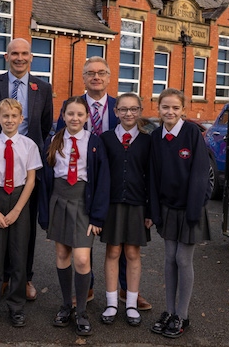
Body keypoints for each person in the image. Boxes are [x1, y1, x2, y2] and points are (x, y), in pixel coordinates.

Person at [56, 56, 151, 310]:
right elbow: (58, 140)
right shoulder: (71, 106)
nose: (96, 77)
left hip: (115, 186)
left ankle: (125, 289)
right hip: (80, 183)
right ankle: (86, 287)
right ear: (83, 77)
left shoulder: (119, 106)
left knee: (119, 242)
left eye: (101, 72)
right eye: (90, 73)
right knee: (81, 242)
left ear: (109, 77)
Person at [0, 37, 53, 301]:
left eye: (24, 54)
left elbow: (44, 126)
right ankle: (3, 279)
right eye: (14, 53)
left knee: (24, 228)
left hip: (27, 167)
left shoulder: (43, 87)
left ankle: (25, 278)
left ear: (31, 57)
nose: (20, 58)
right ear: (6, 57)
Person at [39, 96, 110, 336]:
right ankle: (65, 306)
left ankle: (81, 311)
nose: (75, 118)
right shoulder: (53, 140)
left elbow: (102, 181)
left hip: (82, 203)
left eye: (80, 114)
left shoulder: (94, 142)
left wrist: (97, 217)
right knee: (62, 253)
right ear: (63, 115)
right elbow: (45, 180)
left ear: (87, 117)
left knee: (81, 258)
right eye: (70, 114)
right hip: (59, 199)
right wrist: (45, 213)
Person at [0, 98, 43, 327]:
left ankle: (16, 306)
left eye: (14, 116)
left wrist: (16, 211)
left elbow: (31, 181)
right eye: (5, 116)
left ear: (21, 119)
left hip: (19, 201)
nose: (10, 120)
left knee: (18, 256)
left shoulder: (29, 145)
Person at [148, 88, 211, 339]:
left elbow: (201, 175)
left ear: (183, 109)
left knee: (184, 260)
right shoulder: (156, 137)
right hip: (167, 208)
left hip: (189, 210)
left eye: (175, 107)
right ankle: (170, 311)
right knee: (168, 259)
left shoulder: (192, 133)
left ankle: (183, 316)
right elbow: (152, 175)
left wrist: (195, 210)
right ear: (159, 108)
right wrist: (155, 210)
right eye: (165, 107)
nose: (170, 112)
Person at [99, 93, 151, 327]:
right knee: (112, 252)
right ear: (115, 112)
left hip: (138, 205)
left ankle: (130, 302)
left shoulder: (148, 141)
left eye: (133, 109)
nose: (128, 113)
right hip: (112, 205)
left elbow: (152, 178)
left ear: (140, 111)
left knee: (132, 253)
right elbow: (100, 176)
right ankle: (111, 302)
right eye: (123, 109)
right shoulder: (106, 139)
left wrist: (150, 211)